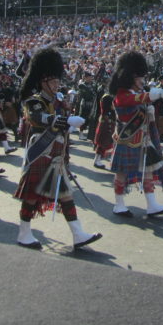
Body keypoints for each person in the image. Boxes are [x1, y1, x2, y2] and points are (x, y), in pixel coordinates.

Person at [14, 48, 101, 250]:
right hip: (41, 150)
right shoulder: (34, 100)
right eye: (53, 82)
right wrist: (65, 120)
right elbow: (38, 118)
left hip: (56, 151)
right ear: (43, 82)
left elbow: (59, 122)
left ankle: (78, 233)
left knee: (64, 192)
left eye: (57, 81)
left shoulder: (57, 100)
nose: (56, 84)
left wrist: (68, 124)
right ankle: (24, 232)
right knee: (32, 194)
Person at [109, 51, 163, 218]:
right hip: (127, 138)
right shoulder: (122, 94)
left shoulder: (136, 93)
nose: (142, 81)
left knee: (148, 169)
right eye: (139, 78)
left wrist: (151, 108)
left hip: (143, 139)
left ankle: (152, 204)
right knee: (121, 172)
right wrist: (155, 95)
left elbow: (141, 100)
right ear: (130, 78)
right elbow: (133, 101)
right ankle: (119, 204)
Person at [92, 92, 116, 170]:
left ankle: (98, 160)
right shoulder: (106, 114)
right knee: (102, 144)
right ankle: (97, 161)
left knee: (103, 144)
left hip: (107, 127)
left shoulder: (108, 113)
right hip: (106, 128)